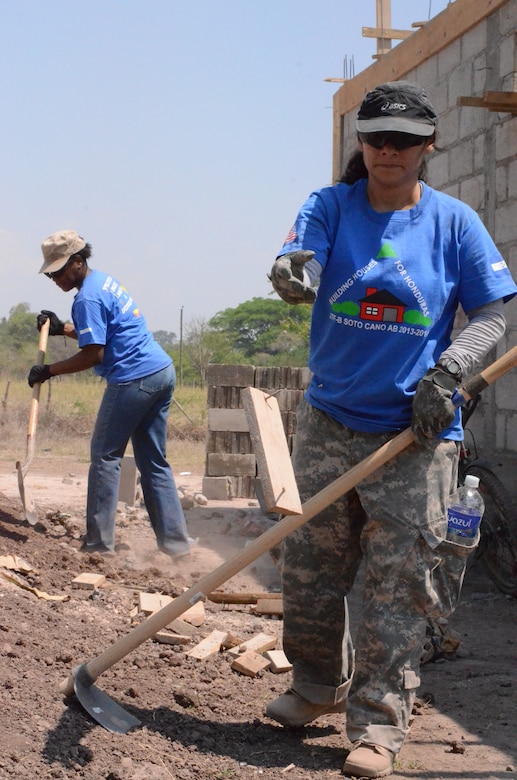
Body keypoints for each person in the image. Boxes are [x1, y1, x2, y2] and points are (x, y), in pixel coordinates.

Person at [267, 81, 517, 778]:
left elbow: (492, 316)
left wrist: (450, 373)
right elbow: (302, 254)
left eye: (404, 141)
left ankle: (377, 729)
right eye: (376, 138)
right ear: (361, 143)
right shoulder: (330, 205)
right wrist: (295, 268)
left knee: (398, 586)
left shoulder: (453, 223)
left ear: (427, 146)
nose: (388, 151)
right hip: (329, 421)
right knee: (311, 573)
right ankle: (315, 685)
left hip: (417, 432)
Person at [28, 230, 191, 560]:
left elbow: (94, 354)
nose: (55, 278)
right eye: (50, 273)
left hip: (134, 379)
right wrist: (62, 329)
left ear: (78, 261)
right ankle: (177, 547)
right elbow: (102, 333)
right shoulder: (103, 282)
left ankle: (99, 546)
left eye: (59, 271)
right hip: (160, 371)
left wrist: (49, 371)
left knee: (104, 456)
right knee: (154, 462)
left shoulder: (87, 298)